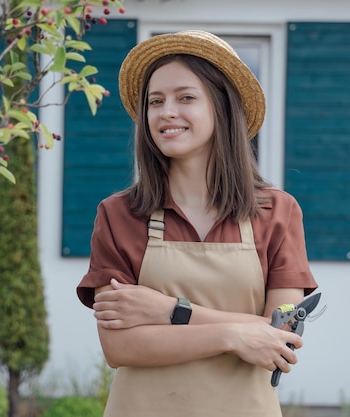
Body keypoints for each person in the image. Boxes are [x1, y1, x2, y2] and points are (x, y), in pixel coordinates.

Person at [76, 30, 319, 417]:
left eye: (185, 97)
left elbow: (281, 338)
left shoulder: (278, 212)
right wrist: (234, 333)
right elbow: (119, 347)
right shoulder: (119, 214)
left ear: (222, 108)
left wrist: (170, 311)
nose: (166, 111)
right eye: (156, 101)